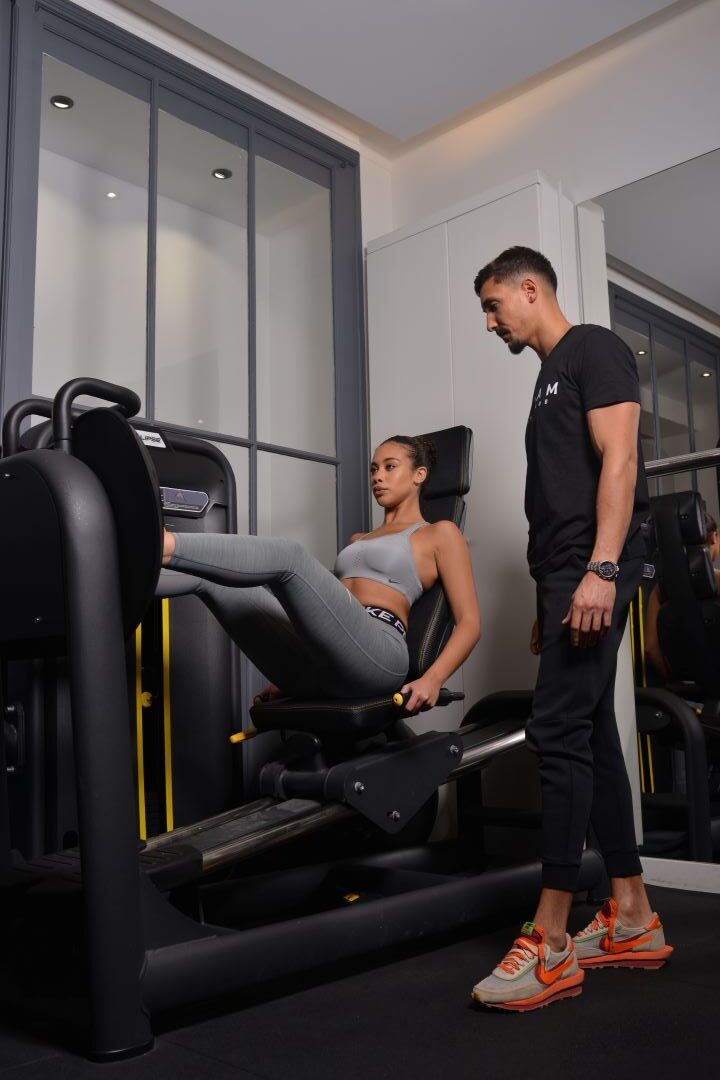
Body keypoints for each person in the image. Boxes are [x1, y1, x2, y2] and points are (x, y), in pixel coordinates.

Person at [470, 246, 672, 1013]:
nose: (491, 324)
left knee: (555, 731)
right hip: (563, 576)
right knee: (587, 733)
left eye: (494, 306)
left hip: (594, 567)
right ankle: (632, 915)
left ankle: (551, 940)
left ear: (530, 288)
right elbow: (560, 489)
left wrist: (603, 569)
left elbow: (618, 462)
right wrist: (548, 595)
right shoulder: (547, 377)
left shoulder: (593, 348)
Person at [159, 435, 481, 712]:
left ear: (419, 474)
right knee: (212, 580)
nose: (377, 477)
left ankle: (161, 543)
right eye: (373, 469)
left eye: (389, 467)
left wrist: (433, 679)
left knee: (290, 557)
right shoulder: (358, 540)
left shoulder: (438, 533)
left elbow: (470, 623)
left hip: (379, 656)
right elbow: (327, 611)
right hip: (324, 662)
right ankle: (133, 575)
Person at [645, 511, 720, 681]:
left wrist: (675, 682)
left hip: (683, 689)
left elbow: (650, 648)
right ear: (713, 538)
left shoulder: (660, 589)